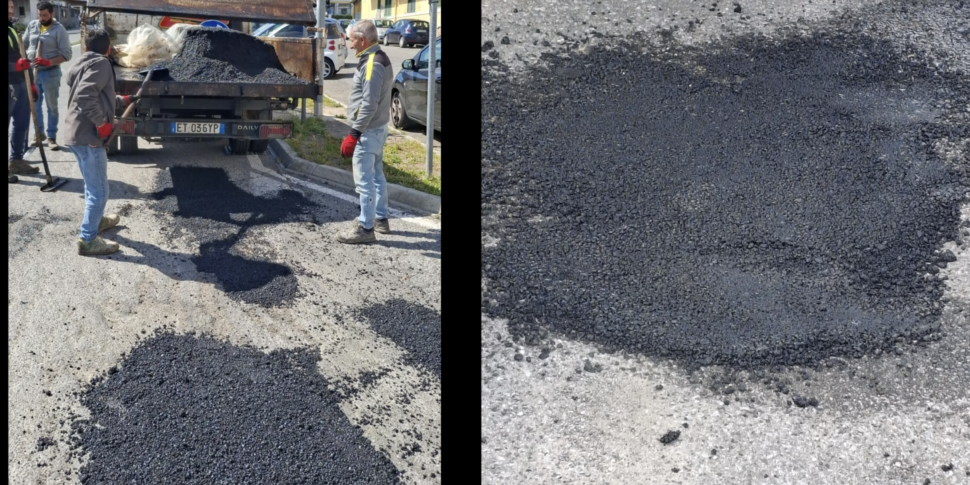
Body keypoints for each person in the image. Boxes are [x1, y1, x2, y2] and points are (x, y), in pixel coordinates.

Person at [61, 29, 133, 256]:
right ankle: (87, 239)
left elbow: (98, 95)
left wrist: (123, 100)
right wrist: (102, 124)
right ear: (108, 49)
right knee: (99, 191)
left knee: (92, 185)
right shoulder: (102, 63)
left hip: (76, 134)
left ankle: (97, 220)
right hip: (89, 136)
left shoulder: (83, 63)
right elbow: (85, 95)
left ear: (85, 47)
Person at [336, 20, 394, 244]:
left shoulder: (372, 64)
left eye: (351, 40)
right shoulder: (380, 56)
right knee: (377, 176)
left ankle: (366, 228)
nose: (350, 45)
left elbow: (368, 104)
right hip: (377, 129)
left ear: (362, 40)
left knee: (365, 181)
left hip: (368, 132)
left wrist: (354, 134)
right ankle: (380, 219)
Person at [23, 0, 72, 151]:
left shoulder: (59, 30)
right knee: (34, 106)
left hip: (51, 73)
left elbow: (67, 54)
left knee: (52, 107)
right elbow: (23, 44)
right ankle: (39, 134)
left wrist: (47, 62)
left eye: (45, 15)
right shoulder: (32, 25)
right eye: (39, 15)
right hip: (33, 73)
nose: (42, 18)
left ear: (52, 13)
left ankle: (52, 137)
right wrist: (23, 60)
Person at [8, 0, 37, 177]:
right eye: (8, 8)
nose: (11, 10)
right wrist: (14, 67)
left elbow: (23, 57)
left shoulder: (13, 28)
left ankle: (16, 161)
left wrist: (31, 82)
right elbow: (17, 62)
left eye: (11, 7)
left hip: (21, 83)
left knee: (22, 124)